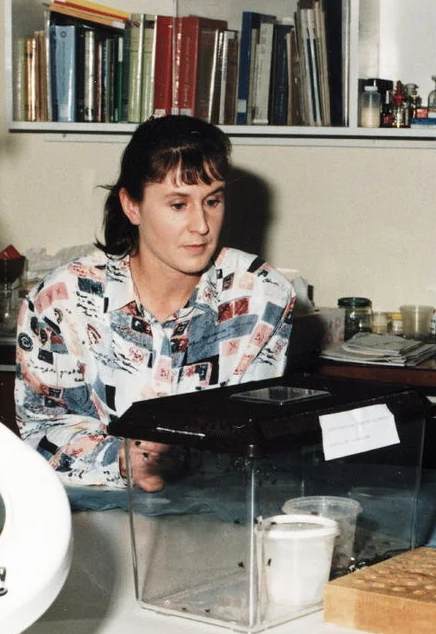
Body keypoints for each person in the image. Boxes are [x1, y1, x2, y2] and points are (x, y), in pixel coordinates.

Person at [15, 115, 295, 492]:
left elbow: (256, 435)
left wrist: (186, 458)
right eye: (178, 205)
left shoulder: (261, 296)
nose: (201, 225)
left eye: (212, 201)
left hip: (216, 513)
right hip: (92, 512)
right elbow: (39, 431)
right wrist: (121, 460)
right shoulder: (60, 299)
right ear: (132, 207)